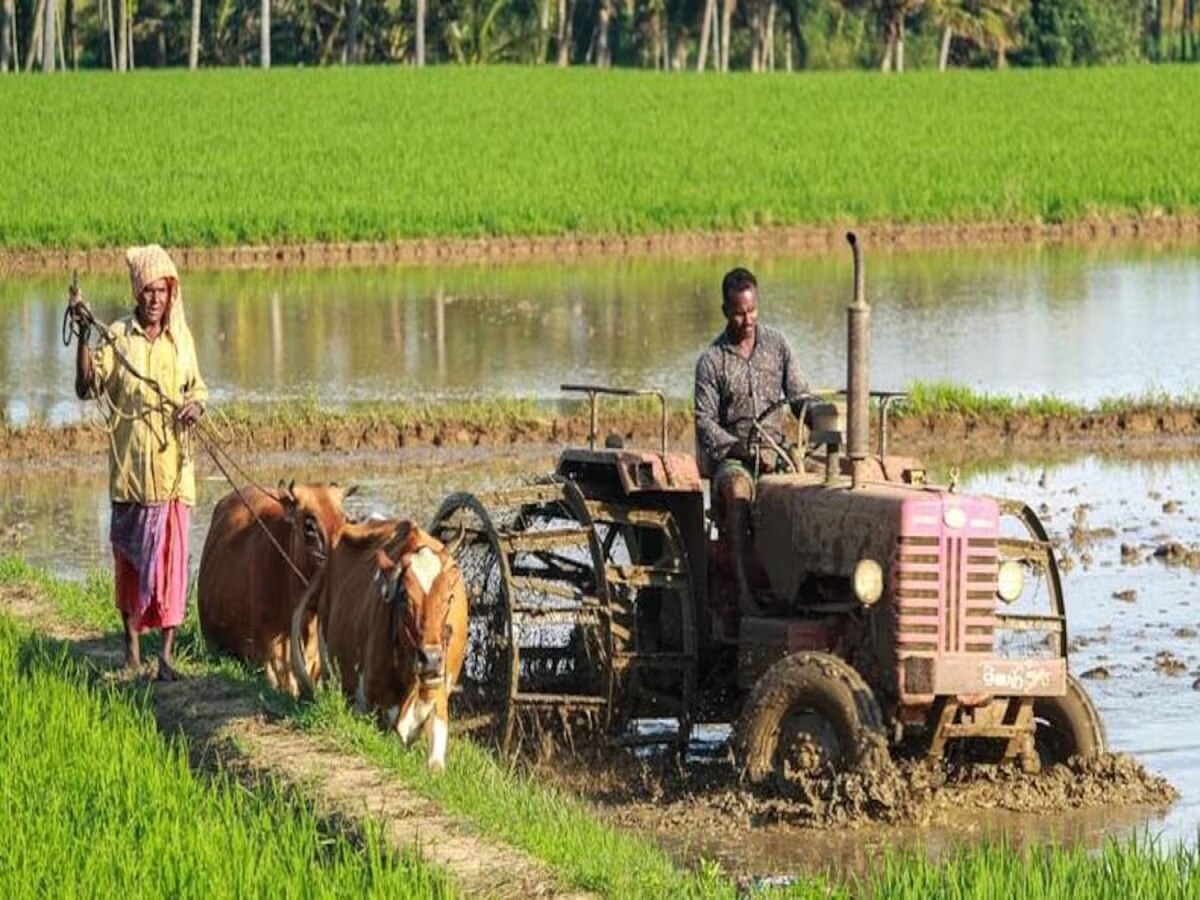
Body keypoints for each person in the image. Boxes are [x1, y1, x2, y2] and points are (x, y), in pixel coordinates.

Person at [69, 245, 207, 680]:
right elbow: (85, 387)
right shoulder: (116, 337)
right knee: (130, 565)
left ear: (171, 294)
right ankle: (131, 654)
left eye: (162, 291)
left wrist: (194, 407)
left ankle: (165, 657)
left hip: (173, 476)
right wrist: (84, 339)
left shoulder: (181, 340)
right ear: (136, 293)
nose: (154, 299)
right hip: (130, 475)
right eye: (148, 291)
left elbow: (198, 390)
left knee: (170, 567)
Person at [694, 266, 809, 608]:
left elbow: (800, 394)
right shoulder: (712, 361)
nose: (748, 320)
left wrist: (819, 416)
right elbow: (704, 422)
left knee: (811, 490)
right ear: (725, 312)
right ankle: (745, 594)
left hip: (778, 452)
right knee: (739, 493)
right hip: (733, 460)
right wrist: (742, 450)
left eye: (753, 310)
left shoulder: (778, 345)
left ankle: (800, 588)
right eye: (740, 313)